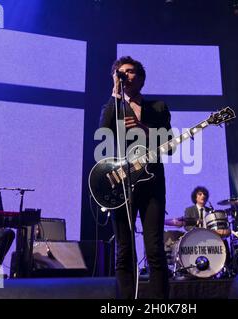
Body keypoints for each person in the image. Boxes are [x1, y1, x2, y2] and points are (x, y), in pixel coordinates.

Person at [98, 56, 172, 299]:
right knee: (124, 250)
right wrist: (114, 95)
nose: (125, 76)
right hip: (122, 185)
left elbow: (170, 146)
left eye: (130, 72)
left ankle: (161, 303)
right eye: (120, 72)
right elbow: (102, 134)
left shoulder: (158, 107)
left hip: (152, 186)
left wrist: (144, 129)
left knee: (154, 249)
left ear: (140, 78)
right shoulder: (114, 106)